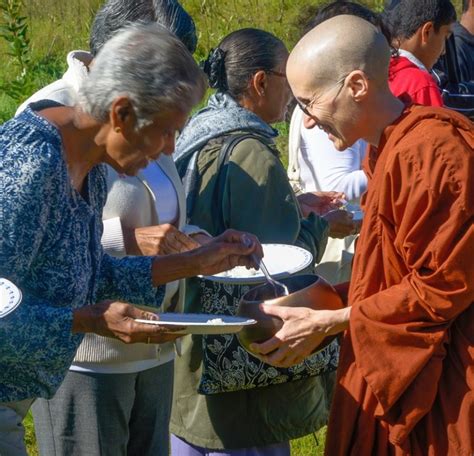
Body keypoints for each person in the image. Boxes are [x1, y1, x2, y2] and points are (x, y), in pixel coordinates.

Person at [0, 23, 263, 456]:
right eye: (165, 130)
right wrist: (87, 321)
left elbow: (92, 272)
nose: (169, 149)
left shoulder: (91, 164)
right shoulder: (30, 165)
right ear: (121, 113)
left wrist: (197, 261)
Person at [252, 14, 473, 455]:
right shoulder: (388, 148)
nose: (308, 122)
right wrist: (321, 299)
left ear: (356, 85)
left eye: (310, 102)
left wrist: (331, 321)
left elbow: (443, 287)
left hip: (444, 384)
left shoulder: (433, 153)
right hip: (390, 354)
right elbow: (391, 275)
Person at [169, 28, 356, 456]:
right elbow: (280, 256)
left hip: (196, 342)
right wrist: (326, 224)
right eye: (286, 78)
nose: (294, 95)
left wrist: (295, 202)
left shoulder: (204, 128)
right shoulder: (251, 150)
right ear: (259, 83)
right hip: (243, 358)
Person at [289, 1, 388, 284]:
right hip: (339, 251)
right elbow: (338, 187)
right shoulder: (326, 111)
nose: (307, 120)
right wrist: (384, 172)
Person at [384, 0, 456, 106]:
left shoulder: (379, 71)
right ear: (427, 31)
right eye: (445, 37)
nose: (444, 51)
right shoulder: (422, 85)